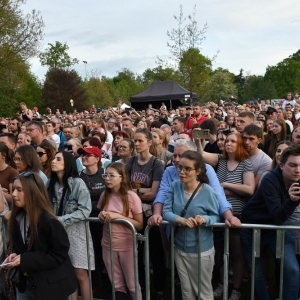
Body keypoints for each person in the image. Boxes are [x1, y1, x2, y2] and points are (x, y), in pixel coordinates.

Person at [197, 130, 255, 300]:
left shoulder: (245, 163)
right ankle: (223, 283)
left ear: (239, 144)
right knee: (220, 252)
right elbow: (200, 154)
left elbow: (249, 189)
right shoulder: (220, 160)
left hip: (237, 214)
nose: (227, 143)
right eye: (226, 141)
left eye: (232, 141)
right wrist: (198, 140)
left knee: (237, 253)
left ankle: (236, 288)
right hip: (217, 213)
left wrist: (223, 186)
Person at [1, 172, 77, 300]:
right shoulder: (17, 218)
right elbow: (23, 247)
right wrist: (15, 255)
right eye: (14, 189)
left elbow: (58, 255)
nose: (13, 194)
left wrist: (25, 259)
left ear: (33, 192)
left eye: (19, 190)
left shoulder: (49, 222)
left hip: (49, 287)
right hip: (25, 285)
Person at [241, 146, 300, 300]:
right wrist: (292, 201)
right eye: (293, 165)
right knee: (256, 273)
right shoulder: (269, 179)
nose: (297, 170)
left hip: (275, 230)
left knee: (292, 270)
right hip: (253, 229)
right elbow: (277, 217)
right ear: (281, 165)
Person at [163, 151, 219, 299]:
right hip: (179, 248)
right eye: (180, 167)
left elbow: (215, 216)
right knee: (186, 292)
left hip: (201, 250)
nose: (182, 172)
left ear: (198, 171)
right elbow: (166, 211)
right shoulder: (175, 186)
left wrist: (205, 219)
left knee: (203, 292)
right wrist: (180, 220)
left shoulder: (207, 191)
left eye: (187, 169)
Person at [48, 151, 95, 300]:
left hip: (76, 233)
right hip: (57, 234)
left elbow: (85, 210)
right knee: (65, 273)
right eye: (54, 158)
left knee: (80, 274)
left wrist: (61, 220)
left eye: (58, 159)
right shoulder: (51, 184)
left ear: (67, 163)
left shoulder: (77, 183)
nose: (53, 161)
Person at [126, 128, 165, 299]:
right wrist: (142, 190)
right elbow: (124, 189)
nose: (137, 144)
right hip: (134, 213)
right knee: (137, 252)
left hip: (150, 213)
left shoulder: (156, 163)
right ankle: (140, 286)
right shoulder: (131, 162)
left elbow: (154, 193)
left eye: (141, 140)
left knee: (155, 252)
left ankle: (159, 289)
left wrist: (134, 191)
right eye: (135, 140)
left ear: (150, 142)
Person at [98, 162, 143, 299]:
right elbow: (101, 216)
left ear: (122, 178)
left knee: (132, 284)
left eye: (111, 175)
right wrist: (101, 216)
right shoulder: (105, 194)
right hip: (108, 245)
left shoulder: (131, 197)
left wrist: (119, 216)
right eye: (106, 175)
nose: (107, 178)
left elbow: (139, 224)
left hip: (126, 246)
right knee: (116, 285)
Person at [78, 146, 106, 292]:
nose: (84, 157)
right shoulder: (78, 176)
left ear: (97, 158)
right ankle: (95, 284)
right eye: (83, 155)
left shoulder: (104, 175)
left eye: (88, 155)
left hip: (103, 221)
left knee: (105, 252)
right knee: (91, 252)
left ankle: (109, 280)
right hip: (86, 221)